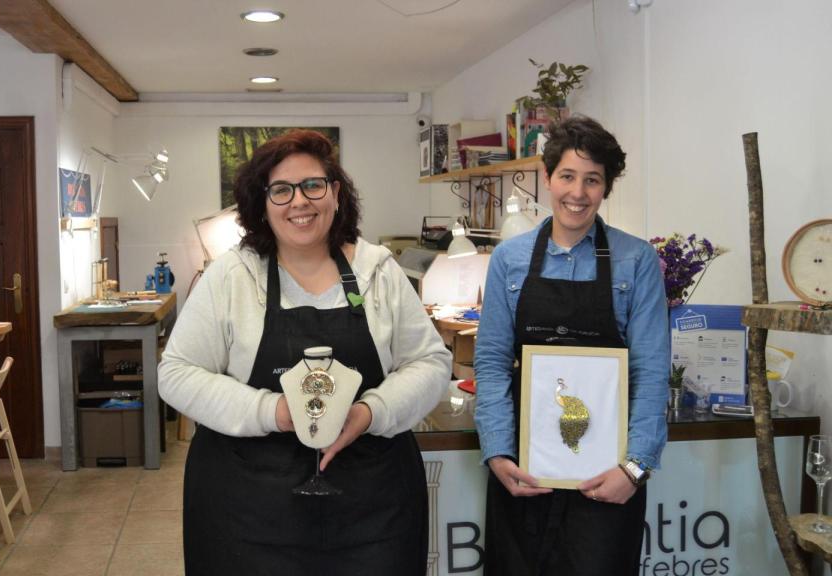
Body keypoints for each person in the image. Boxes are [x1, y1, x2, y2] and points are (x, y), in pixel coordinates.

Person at [159, 129, 451, 575]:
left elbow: (430, 362)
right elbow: (177, 373)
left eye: (313, 185)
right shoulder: (232, 276)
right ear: (262, 203)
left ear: (335, 193)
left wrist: (369, 412)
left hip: (373, 510)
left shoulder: (378, 272)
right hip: (248, 513)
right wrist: (275, 411)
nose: (299, 201)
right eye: (281, 190)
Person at [473, 116, 669, 575]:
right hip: (523, 471)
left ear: (606, 187)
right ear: (547, 177)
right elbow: (493, 362)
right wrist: (498, 452)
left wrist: (634, 469)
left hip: (606, 478)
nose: (577, 193)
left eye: (592, 180)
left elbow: (651, 370)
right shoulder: (509, 259)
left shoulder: (636, 260)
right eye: (567, 176)